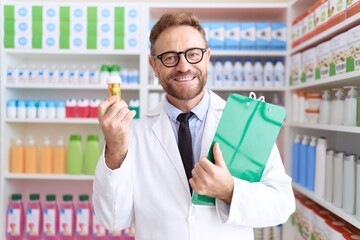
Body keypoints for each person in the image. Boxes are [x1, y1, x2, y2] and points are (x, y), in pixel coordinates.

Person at [93, 11, 295, 240]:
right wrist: (116, 149)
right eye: (170, 57)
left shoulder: (247, 122)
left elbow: (282, 205)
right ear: (154, 66)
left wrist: (229, 191)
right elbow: (113, 219)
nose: (183, 66)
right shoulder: (134, 133)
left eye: (193, 54)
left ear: (207, 57)